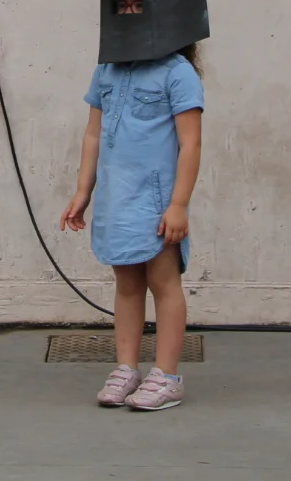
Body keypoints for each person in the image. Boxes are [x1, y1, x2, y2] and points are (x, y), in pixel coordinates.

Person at [60, 44, 205, 411]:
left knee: (163, 282)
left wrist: (178, 205)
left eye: (137, 11)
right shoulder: (107, 70)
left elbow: (190, 142)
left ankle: (167, 376)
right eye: (121, 12)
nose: (129, 16)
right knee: (127, 284)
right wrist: (83, 191)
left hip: (156, 202)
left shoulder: (178, 72)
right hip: (117, 199)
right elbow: (93, 134)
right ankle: (126, 368)